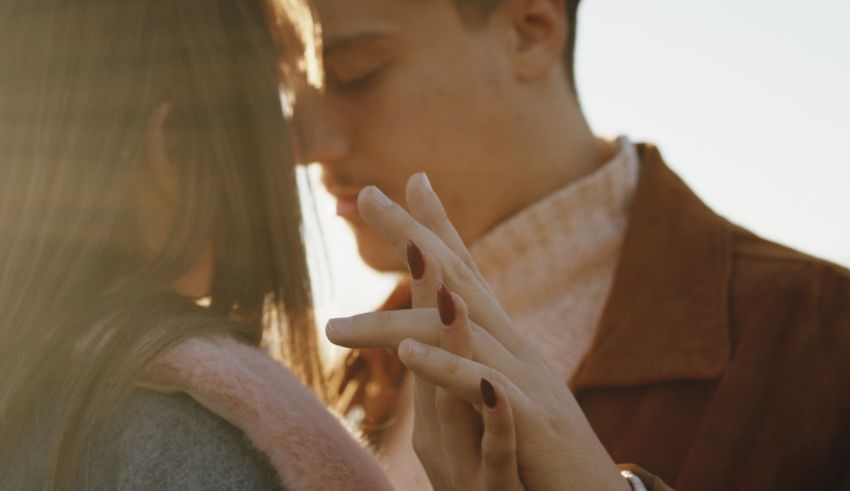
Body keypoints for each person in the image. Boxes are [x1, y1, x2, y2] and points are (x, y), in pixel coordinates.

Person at [289, 0, 850, 489]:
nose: (308, 145)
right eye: (286, 89)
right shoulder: (357, 373)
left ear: (530, 31)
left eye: (354, 72)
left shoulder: (821, 337)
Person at [0, 0, 391, 489]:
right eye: (272, 105)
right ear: (176, 144)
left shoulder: (32, 393)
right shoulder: (198, 437)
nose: (298, 150)